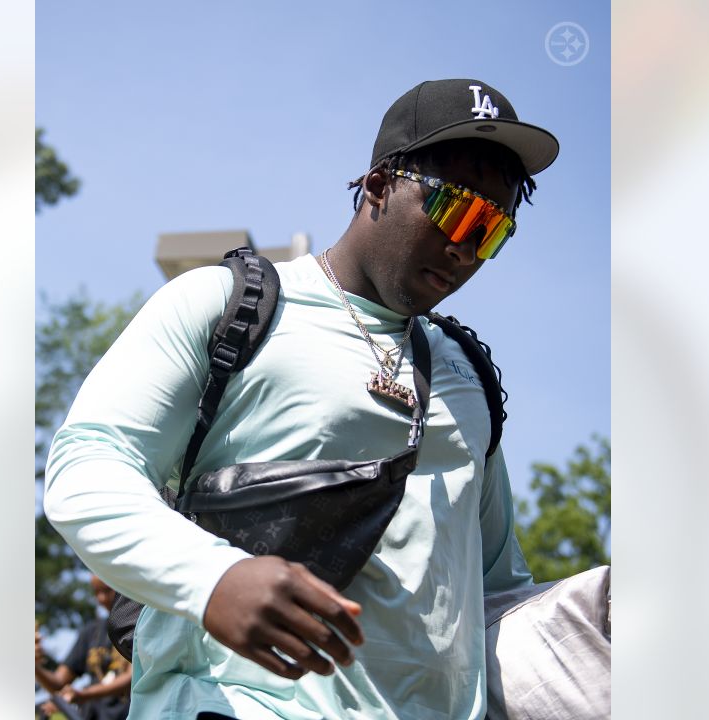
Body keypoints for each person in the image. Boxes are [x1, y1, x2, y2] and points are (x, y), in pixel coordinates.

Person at [44, 79, 562, 719]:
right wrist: (213, 578)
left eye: (492, 229)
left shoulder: (470, 378)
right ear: (377, 185)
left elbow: (497, 596)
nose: (464, 248)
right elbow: (89, 466)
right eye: (455, 209)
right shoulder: (227, 305)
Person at [36, 576, 132, 720]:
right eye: (96, 592)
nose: (102, 598)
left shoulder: (136, 628)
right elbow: (58, 683)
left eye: (107, 590)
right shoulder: (91, 633)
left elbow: (131, 677)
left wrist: (84, 694)